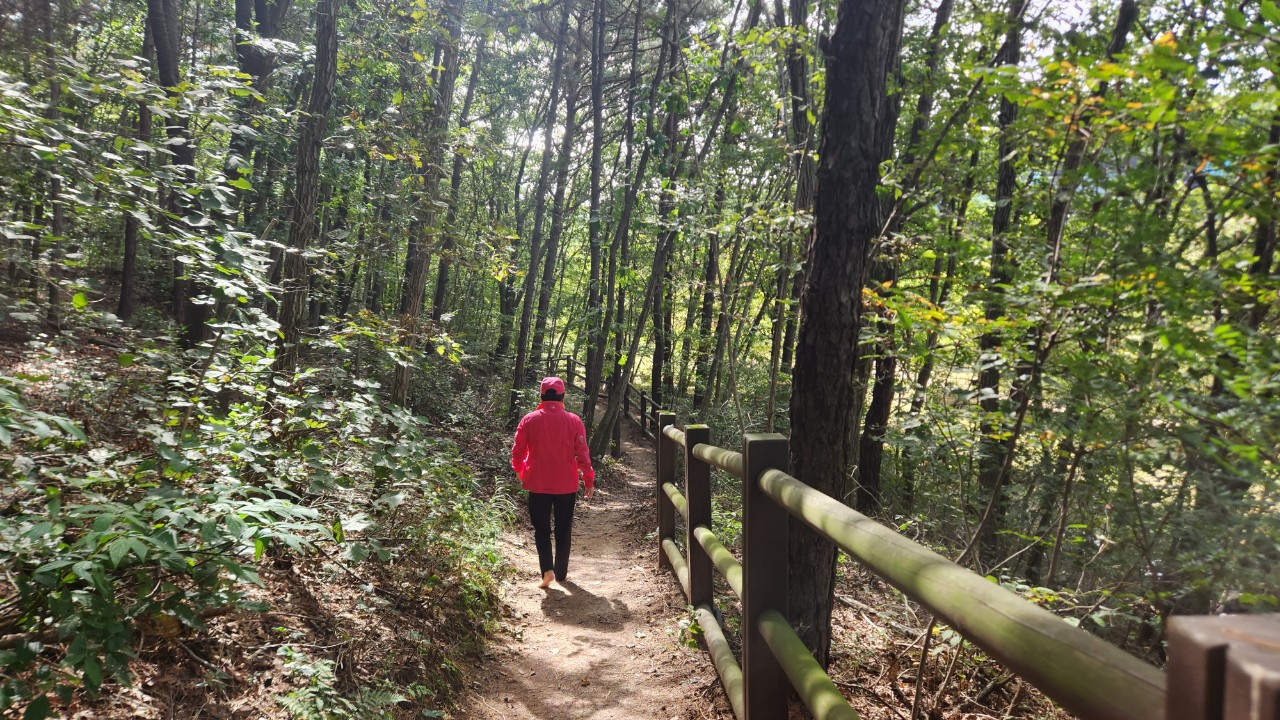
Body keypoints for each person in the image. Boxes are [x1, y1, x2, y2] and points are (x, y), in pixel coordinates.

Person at [511, 376, 595, 588]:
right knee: (563, 528)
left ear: (541, 395)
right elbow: (583, 453)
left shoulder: (529, 420)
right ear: (562, 395)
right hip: (566, 484)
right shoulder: (574, 421)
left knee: (541, 529)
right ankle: (561, 573)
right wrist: (589, 479)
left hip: (537, 482)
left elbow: (518, 450)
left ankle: (547, 570)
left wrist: (520, 470)